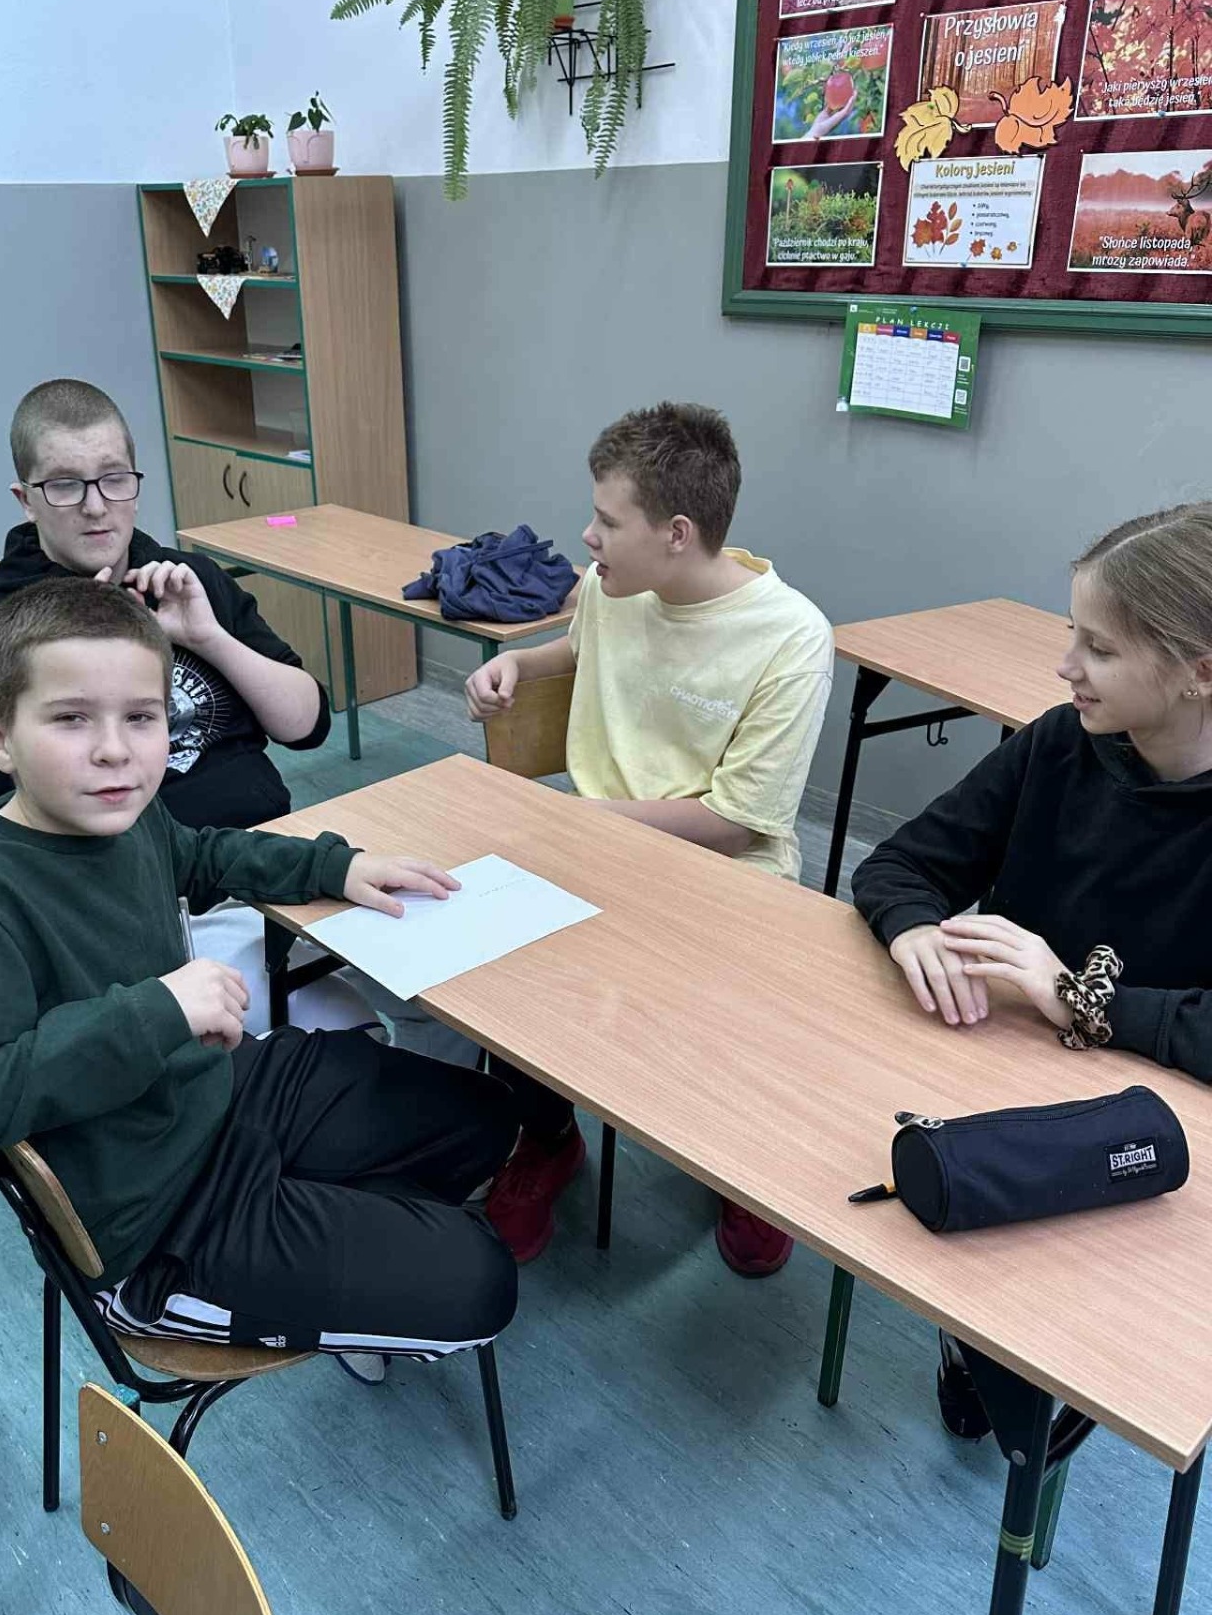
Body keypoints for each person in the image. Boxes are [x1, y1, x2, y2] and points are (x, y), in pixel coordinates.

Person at [0, 575, 534, 1367]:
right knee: (481, 1285)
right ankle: (204, 1292)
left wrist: (336, 866)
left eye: (141, 717)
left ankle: (336, 1251)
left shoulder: (121, 813)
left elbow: (203, 853)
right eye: (71, 718)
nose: (115, 748)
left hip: (218, 1094)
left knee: (486, 1114)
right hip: (153, 1217)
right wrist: (153, 1013)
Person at [852, 500, 1212, 1434]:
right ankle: (987, 1348)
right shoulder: (1060, 743)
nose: (1065, 667)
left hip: (1157, 1124)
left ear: (1199, 672)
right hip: (1002, 1079)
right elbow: (899, 866)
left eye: (1100, 649)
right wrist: (913, 928)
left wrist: (1073, 997)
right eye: (1070, 635)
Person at [466, 402, 834, 1273]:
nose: (587, 536)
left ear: (676, 534)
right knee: (492, 979)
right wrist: (519, 661)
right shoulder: (612, 588)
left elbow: (735, 822)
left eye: (606, 519)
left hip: (724, 875)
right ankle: (547, 1137)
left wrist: (579, 824)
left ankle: (747, 1164)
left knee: (717, 1035)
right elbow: (581, 647)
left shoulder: (792, 638)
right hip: (597, 846)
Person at [0, 378, 365, 1033]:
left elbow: (307, 724)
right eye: (65, 485)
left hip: (268, 857)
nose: (96, 507)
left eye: (114, 479)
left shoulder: (189, 582)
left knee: (436, 969)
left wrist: (208, 637)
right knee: (347, 1027)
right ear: (26, 499)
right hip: (143, 902)